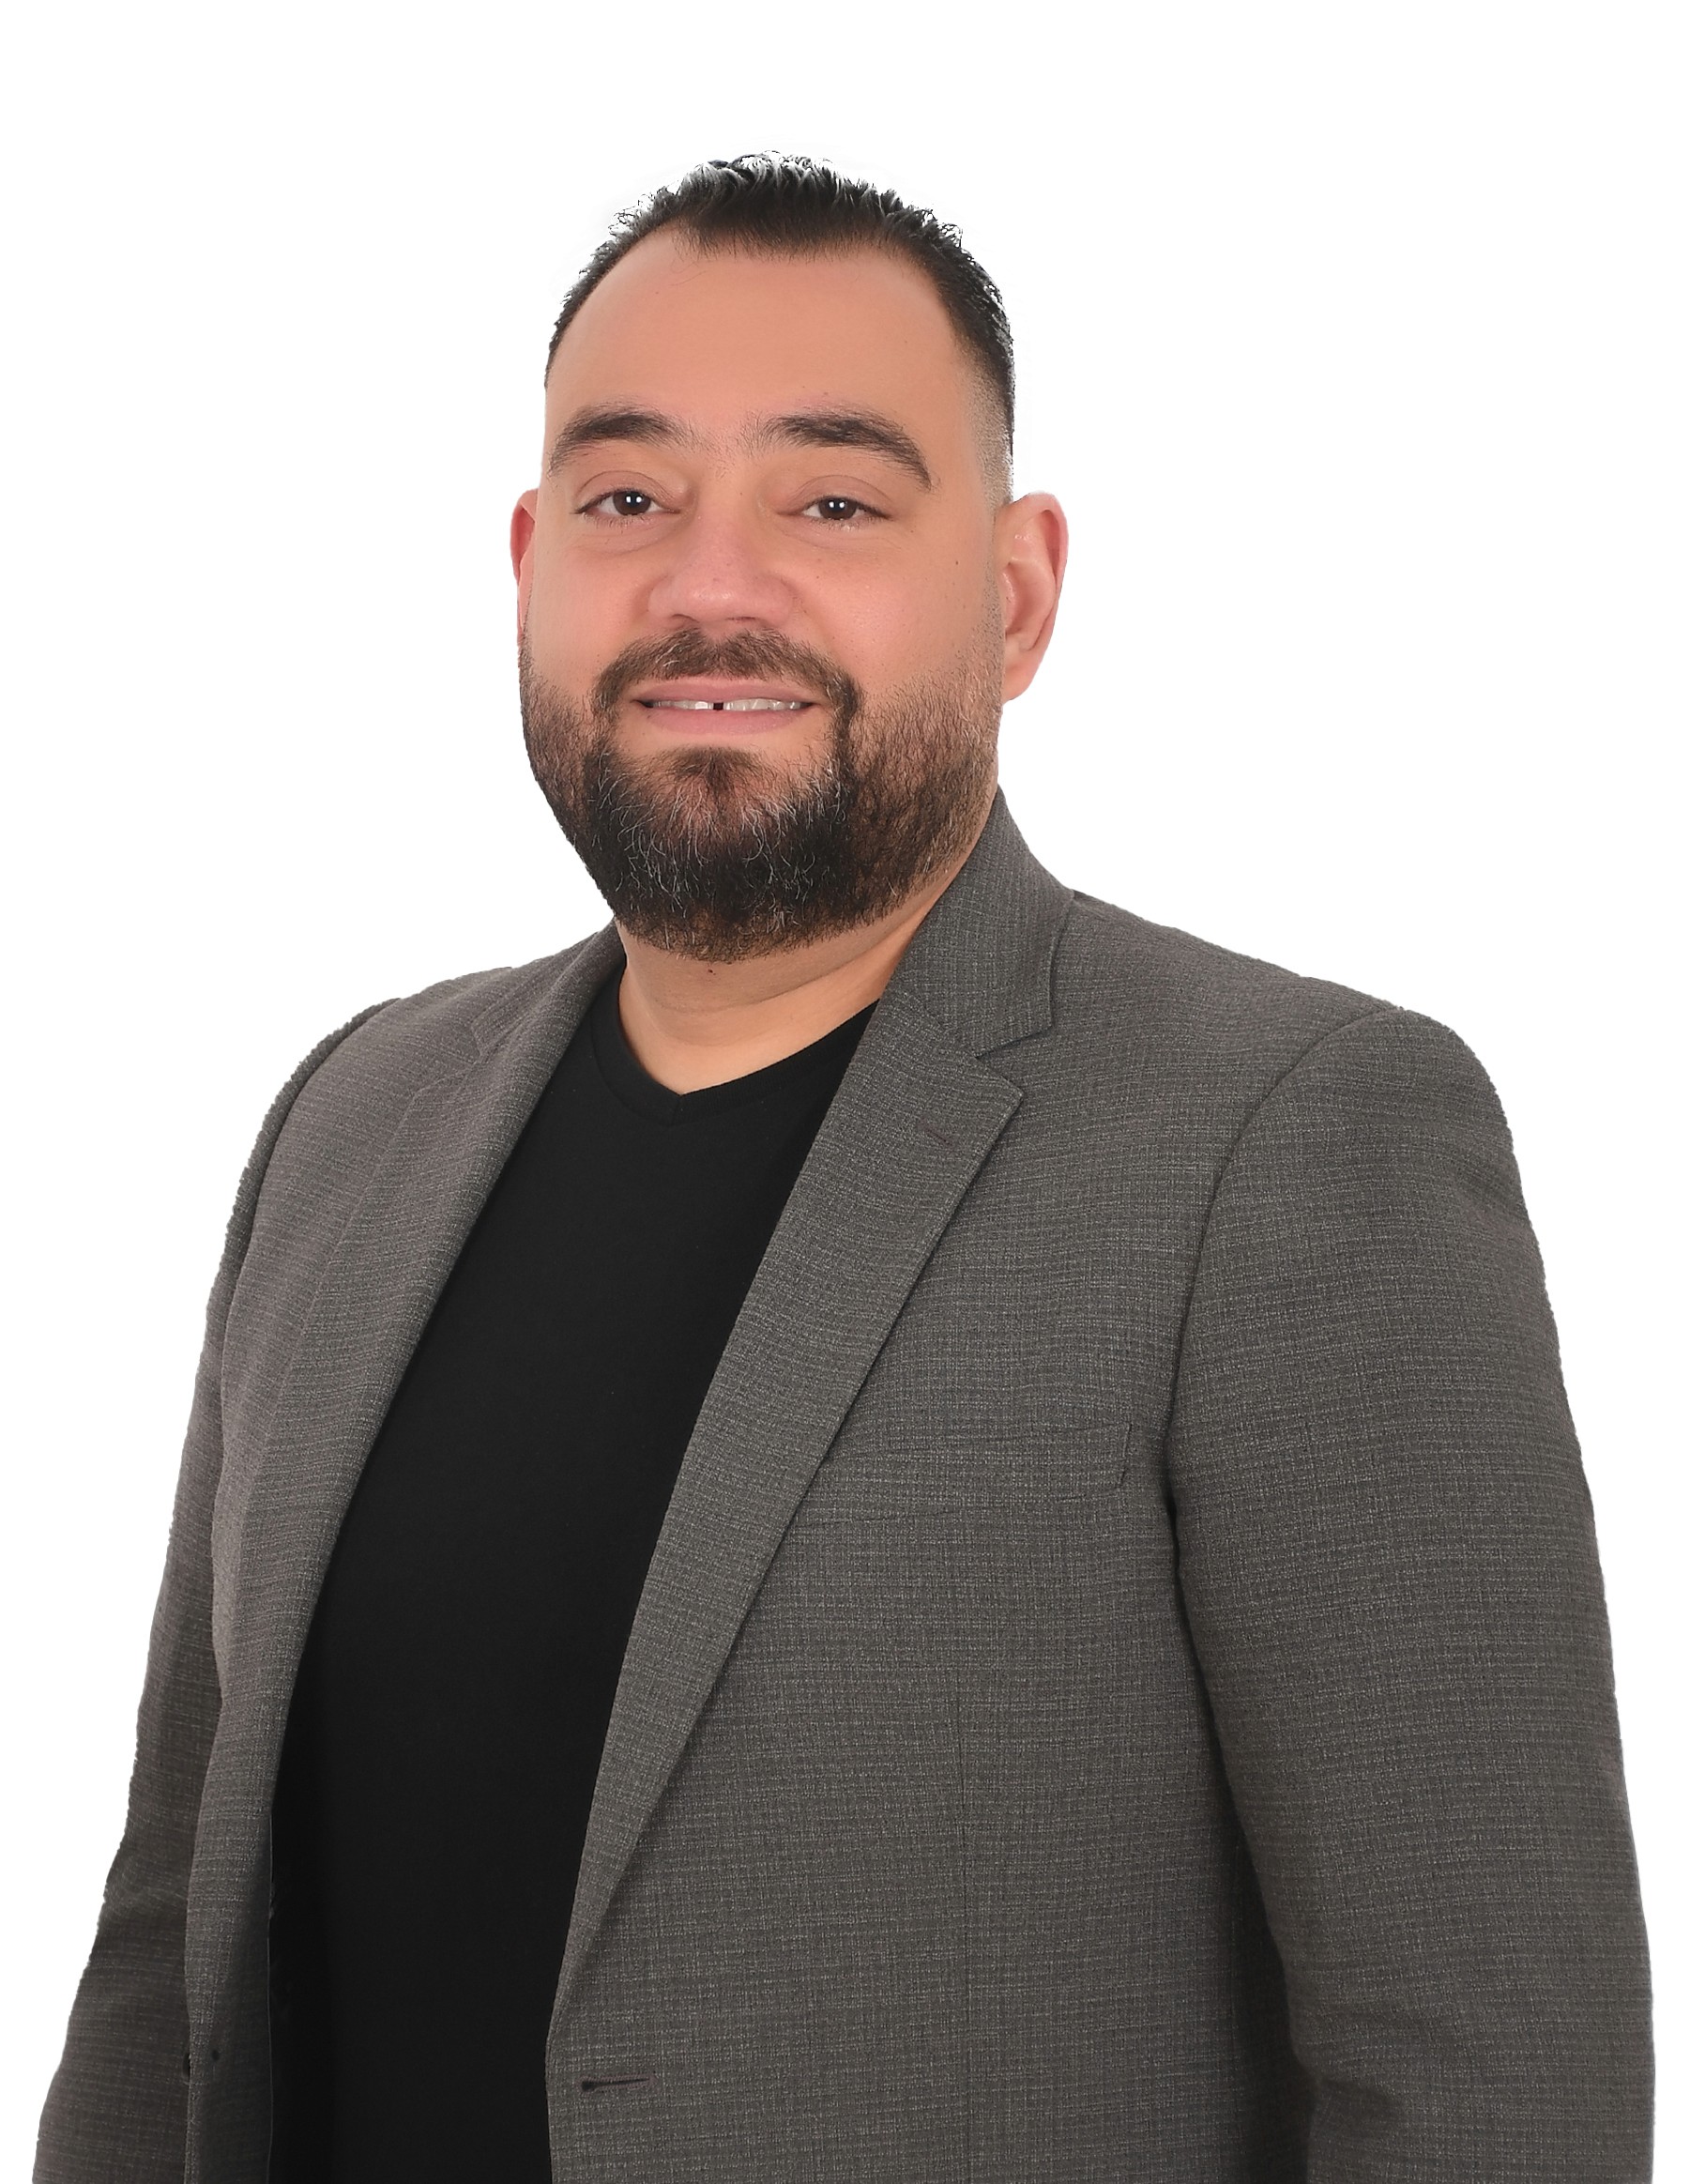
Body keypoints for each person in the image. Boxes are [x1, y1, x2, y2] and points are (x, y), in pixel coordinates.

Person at [37, 155, 1652, 2183]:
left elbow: (1492, 2074)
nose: (708, 587)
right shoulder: (350, 1122)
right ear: (530, 561)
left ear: (1015, 594)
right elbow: (169, 1945)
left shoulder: (1289, 1140)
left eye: (832, 504)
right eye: (629, 498)